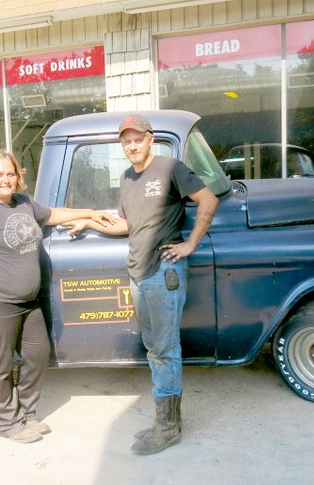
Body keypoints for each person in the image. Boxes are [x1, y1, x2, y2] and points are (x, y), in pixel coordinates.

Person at [66, 114, 218, 455]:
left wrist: (190, 244)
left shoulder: (170, 168)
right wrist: (89, 222)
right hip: (138, 273)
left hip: (163, 273)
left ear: (150, 138)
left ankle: (168, 427)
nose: (132, 145)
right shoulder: (127, 178)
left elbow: (208, 200)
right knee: (155, 348)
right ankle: (164, 420)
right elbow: (127, 225)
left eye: (137, 138)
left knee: (165, 349)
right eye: (126, 140)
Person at [0, 149, 114, 444]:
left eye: (10, 173)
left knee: (37, 354)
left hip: (27, 303)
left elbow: (51, 215)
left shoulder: (23, 203)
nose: (6, 179)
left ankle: (27, 413)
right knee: (0, 366)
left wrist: (87, 213)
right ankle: (8, 424)